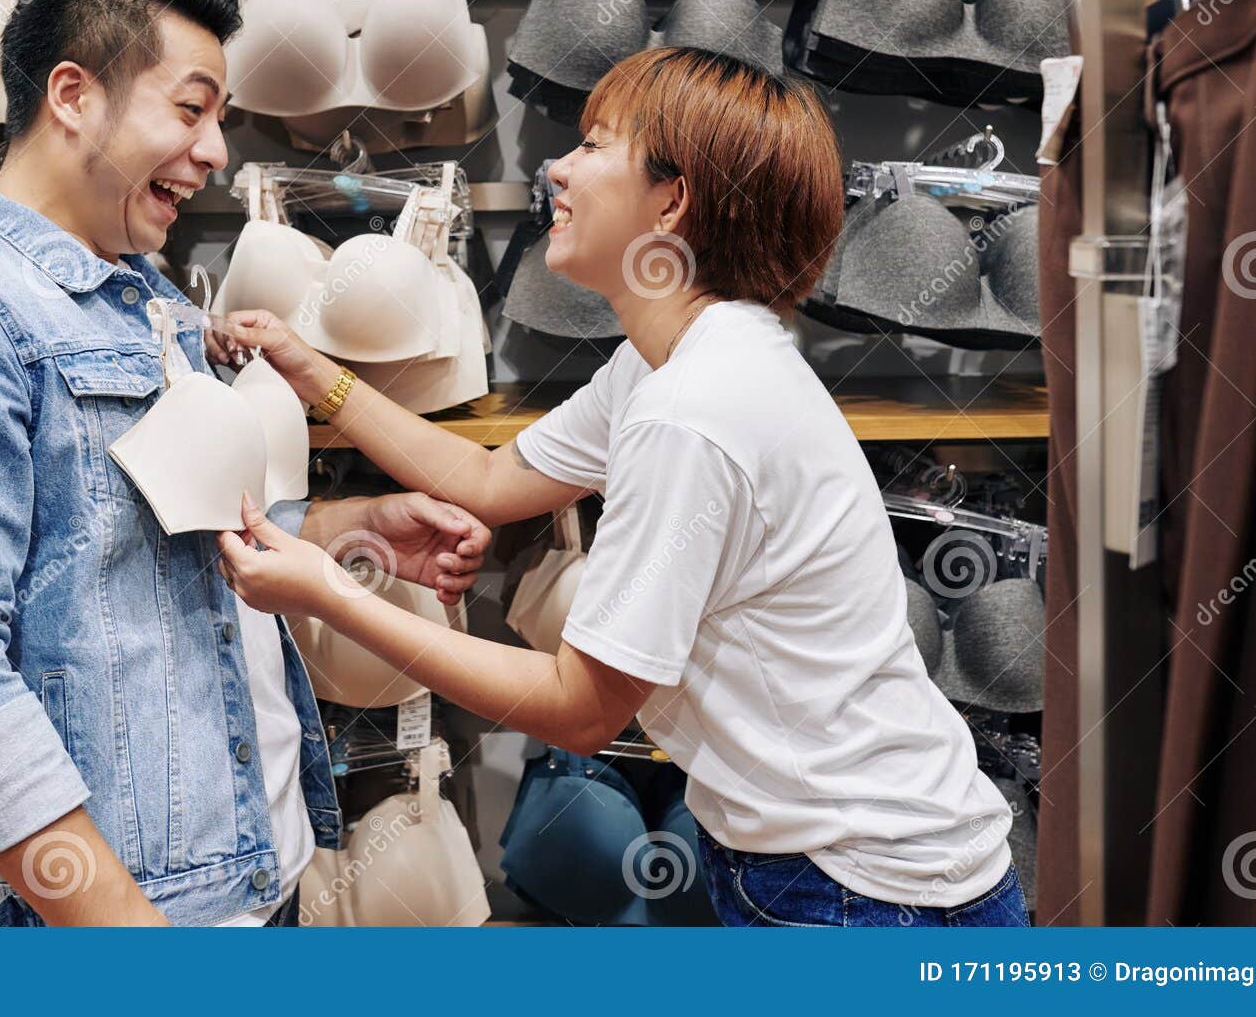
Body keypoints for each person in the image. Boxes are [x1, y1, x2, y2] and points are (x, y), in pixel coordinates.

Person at [213, 46, 1029, 928]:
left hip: (860, 887)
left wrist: (325, 588)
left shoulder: (693, 407)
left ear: (672, 200)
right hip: (837, 862)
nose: (556, 167)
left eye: (595, 145)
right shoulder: (676, 358)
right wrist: (310, 372)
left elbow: (580, 709)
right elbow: (489, 478)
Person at [0, 0, 487, 927]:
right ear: (73, 96)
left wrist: (355, 527)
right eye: (190, 109)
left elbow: (178, 537)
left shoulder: (153, 300)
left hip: (259, 875)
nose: (217, 148)